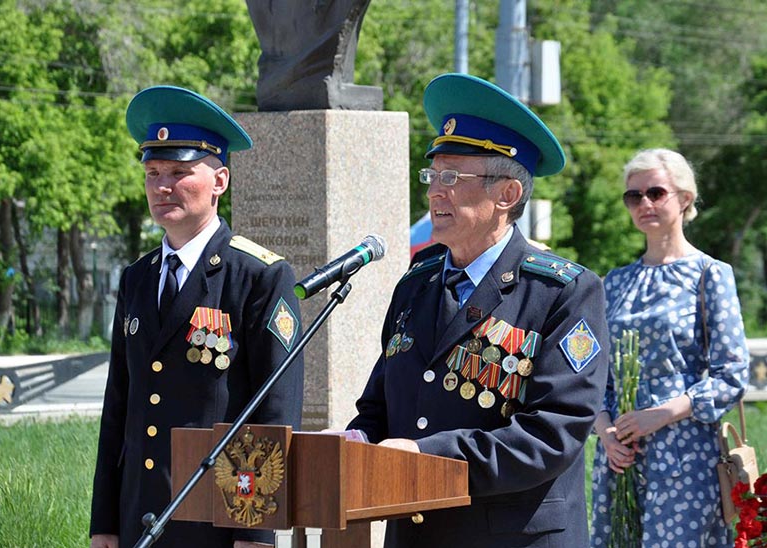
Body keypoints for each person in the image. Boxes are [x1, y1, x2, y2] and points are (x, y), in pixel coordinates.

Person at [346, 73, 610, 548]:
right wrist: (358, 442)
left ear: (506, 195)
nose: (434, 192)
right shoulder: (417, 283)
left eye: (452, 177)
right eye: (432, 176)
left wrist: (427, 455)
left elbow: (555, 432)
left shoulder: (562, 292)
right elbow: (381, 405)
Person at [89, 86, 304, 548]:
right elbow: (119, 407)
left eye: (180, 172)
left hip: (216, 519)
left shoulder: (259, 276)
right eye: (152, 172)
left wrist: (257, 530)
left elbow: (273, 413)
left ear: (220, 181)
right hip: (140, 516)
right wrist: (104, 522)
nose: (162, 186)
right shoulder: (137, 278)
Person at [590, 148, 750, 547]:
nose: (644, 203)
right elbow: (593, 373)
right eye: (633, 196)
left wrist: (657, 416)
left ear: (685, 198)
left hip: (684, 456)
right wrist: (606, 432)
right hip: (620, 459)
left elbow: (731, 374)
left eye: (656, 192)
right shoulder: (614, 282)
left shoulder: (708, 274)